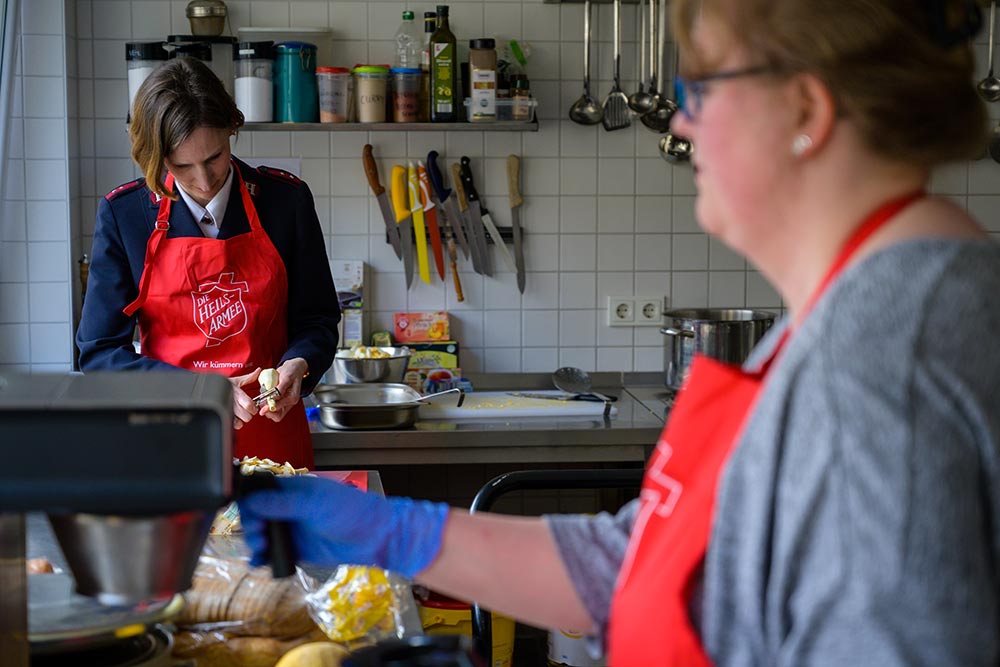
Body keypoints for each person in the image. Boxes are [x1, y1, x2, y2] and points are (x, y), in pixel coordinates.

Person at [240, 0, 1000, 664]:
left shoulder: (886, 368)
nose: (680, 120)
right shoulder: (854, 308)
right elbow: (644, 562)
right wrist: (395, 533)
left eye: (699, 89)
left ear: (805, 110)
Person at [77, 58, 340, 469]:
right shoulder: (126, 214)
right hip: (167, 445)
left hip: (272, 443)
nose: (203, 179)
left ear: (233, 127)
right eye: (181, 166)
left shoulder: (285, 202)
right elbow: (99, 352)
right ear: (154, 157)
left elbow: (318, 319)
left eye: (215, 156)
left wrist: (300, 363)